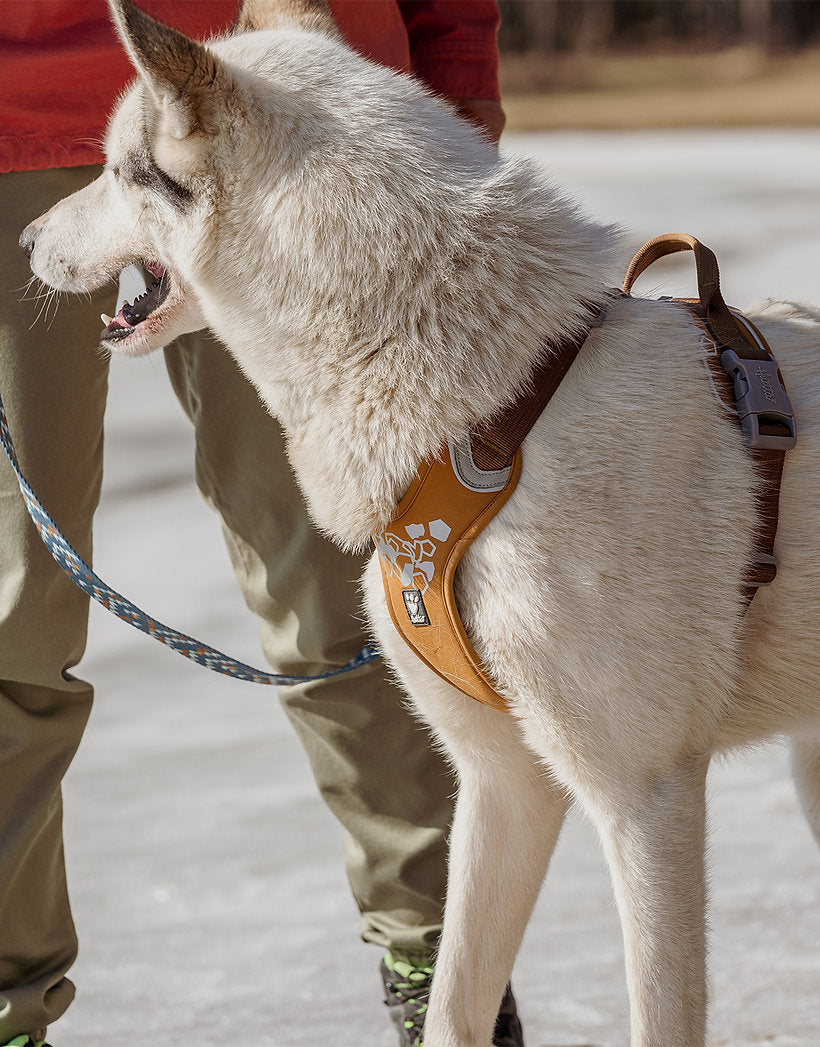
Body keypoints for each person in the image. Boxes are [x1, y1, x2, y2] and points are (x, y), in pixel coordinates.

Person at [0, 3, 519, 1046]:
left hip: (297, 129)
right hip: (24, 124)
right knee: (15, 612)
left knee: (356, 588)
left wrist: (454, 104)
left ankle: (444, 966)